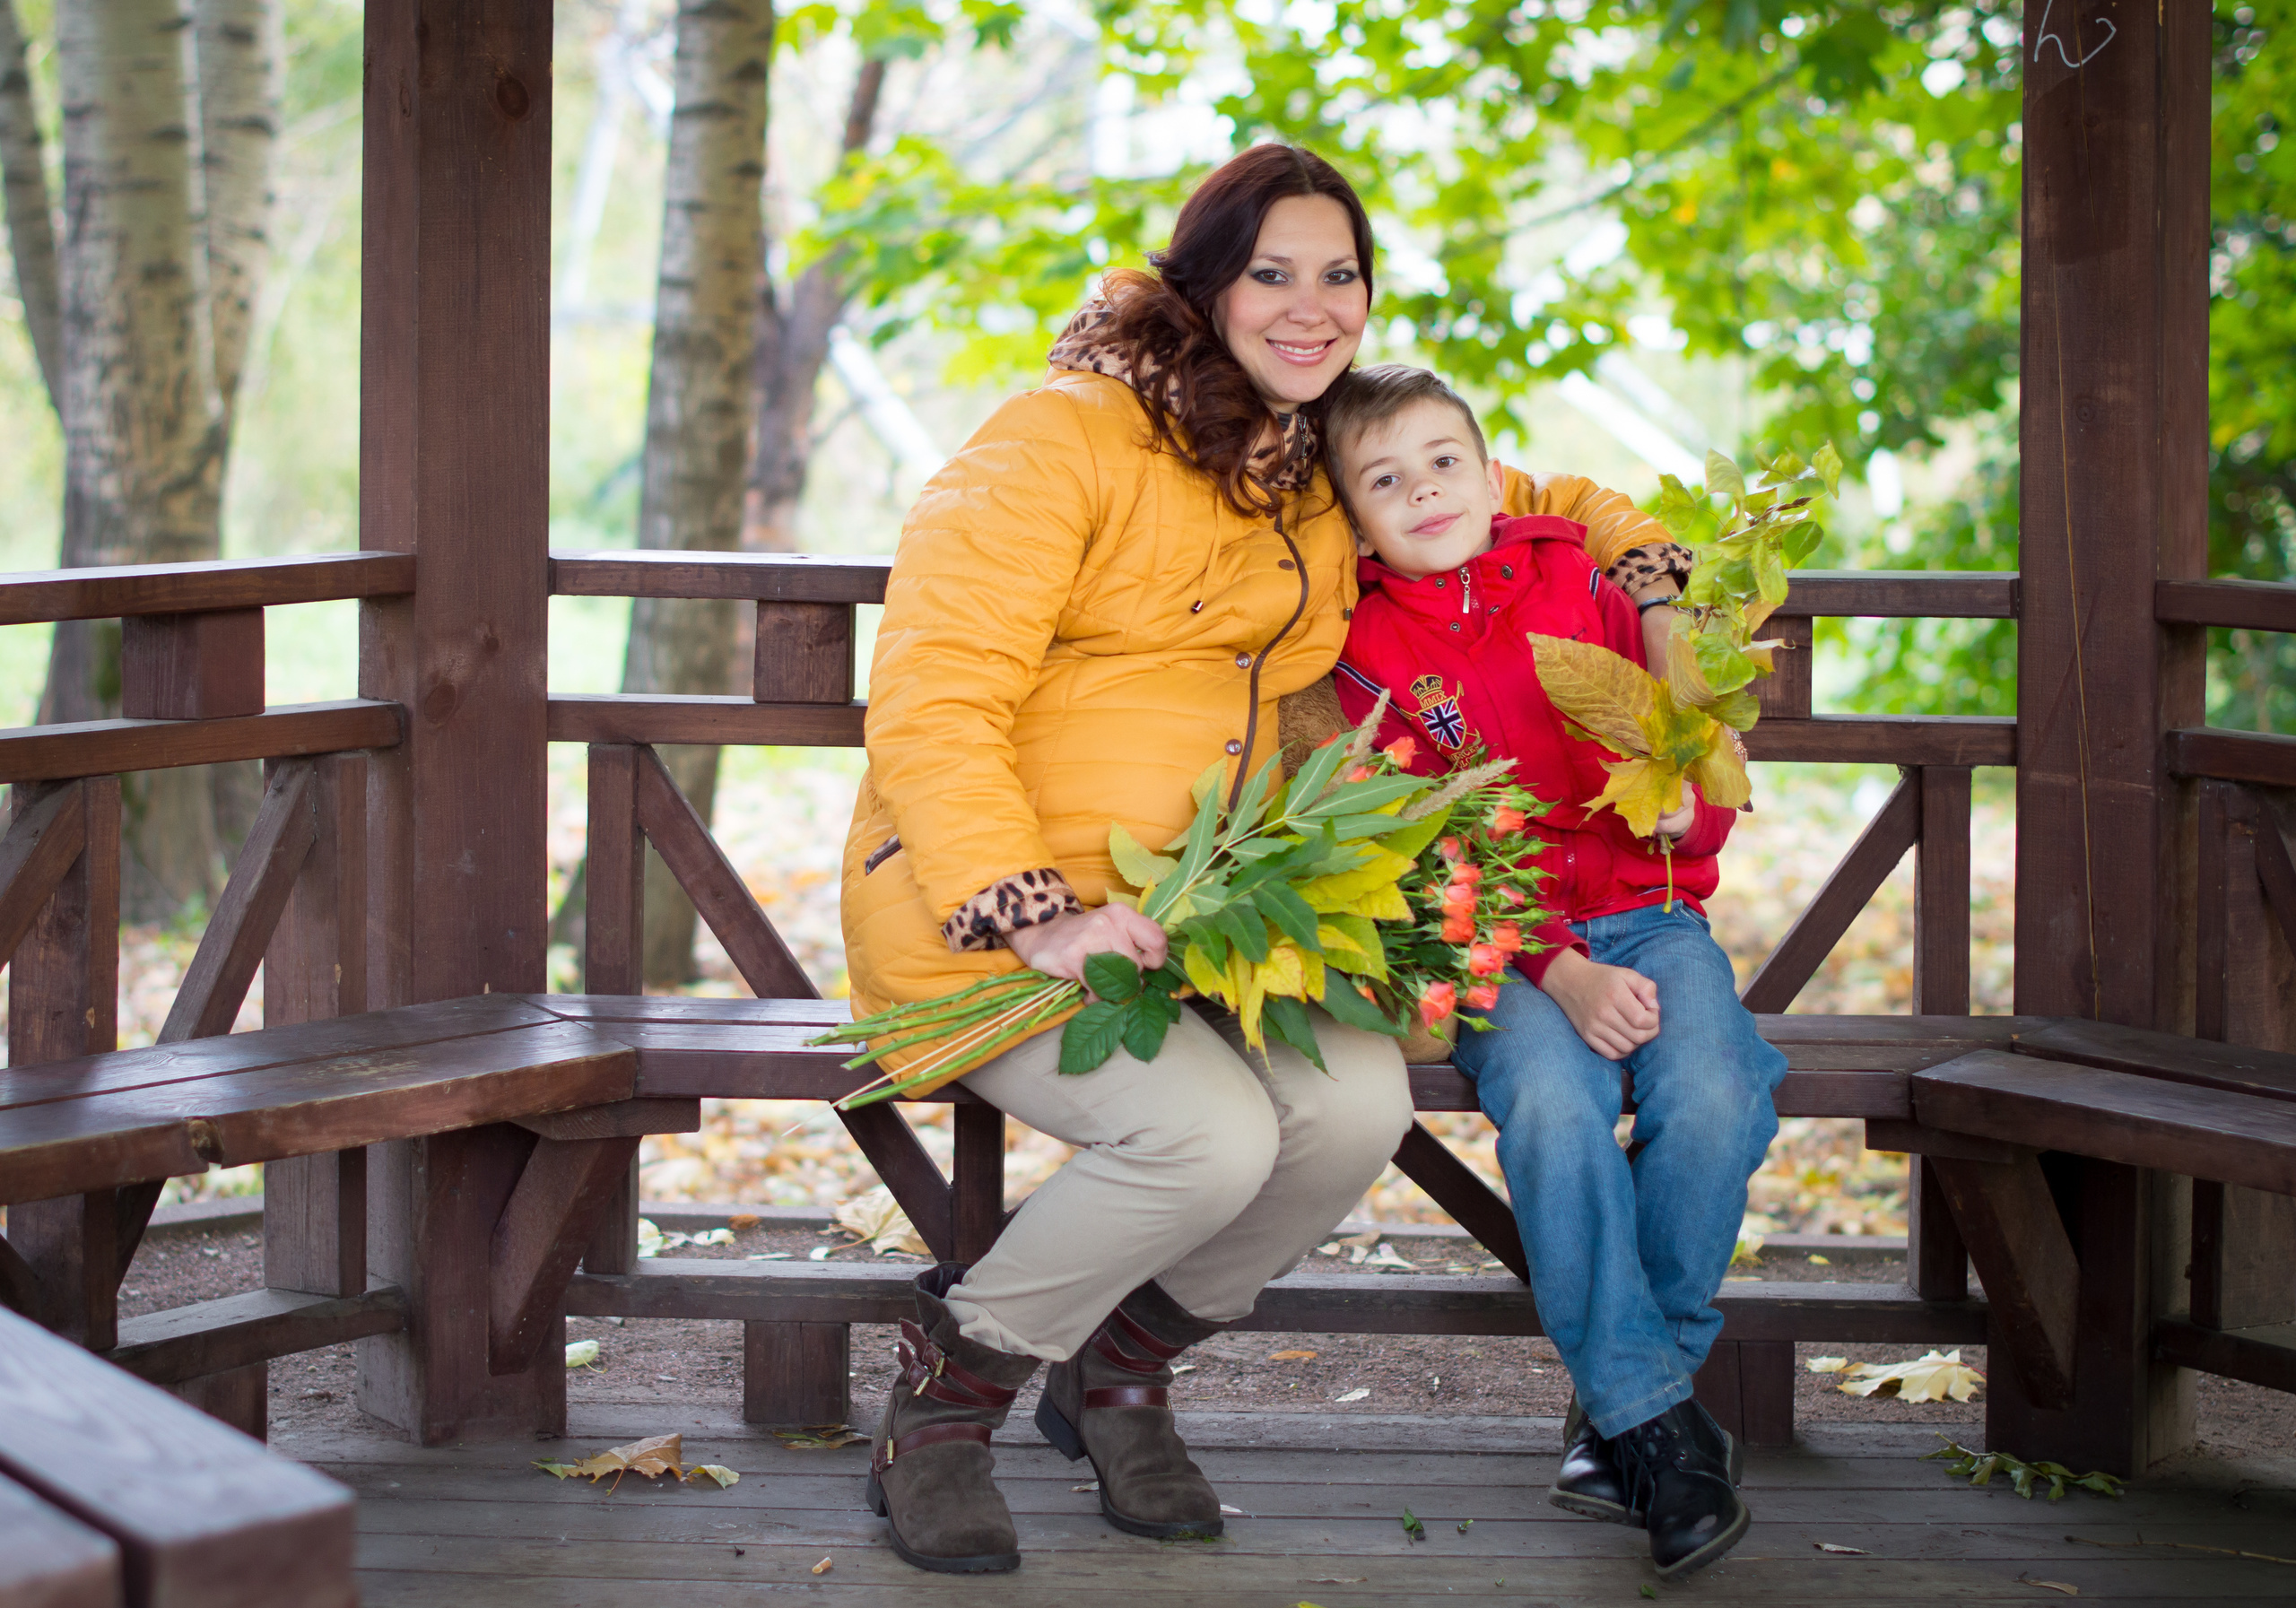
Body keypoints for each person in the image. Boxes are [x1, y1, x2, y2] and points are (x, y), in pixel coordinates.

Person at [1323, 364, 1785, 1580]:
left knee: (1718, 1089)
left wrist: (1697, 820)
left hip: (1653, 908)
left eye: (1443, 462)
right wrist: (1558, 969)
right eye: (1384, 480)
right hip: (1501, 949)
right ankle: (1660, 1432)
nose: (1422, 491)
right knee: (1555, 1099)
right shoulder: (1363, 649)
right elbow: (1425, 845)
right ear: (1353, 516)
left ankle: (1631, 1411)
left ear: (1491, 470)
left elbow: (1688, 743)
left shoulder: (1580, 574)